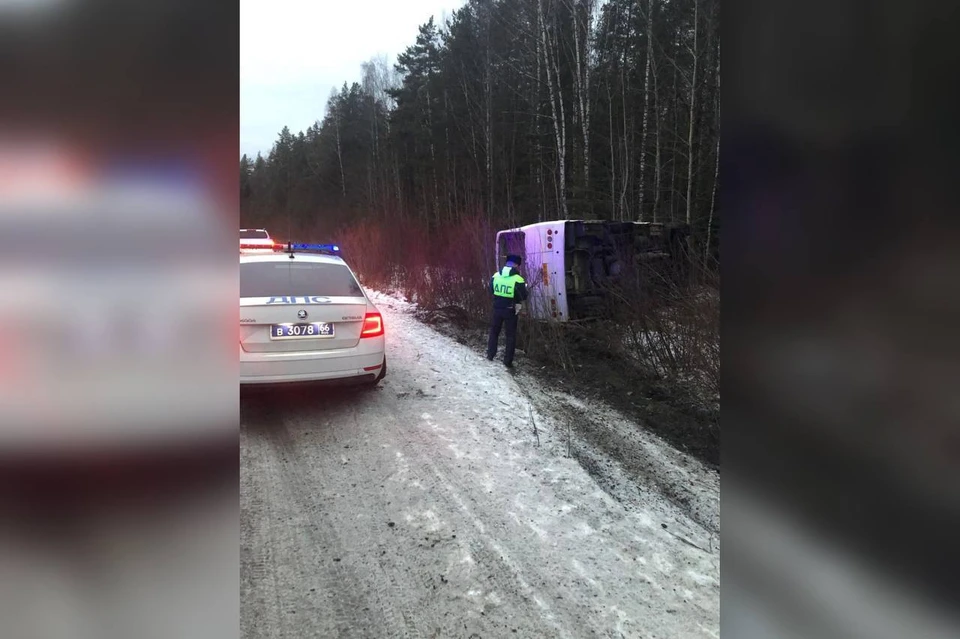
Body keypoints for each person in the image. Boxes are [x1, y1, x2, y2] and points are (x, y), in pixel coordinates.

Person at [486, 254, 528, 368]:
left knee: (494, 333)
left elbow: (491, 289)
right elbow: (523, 295)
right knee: (510, 336)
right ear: (515, 265)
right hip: (510, 310)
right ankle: (507, 361)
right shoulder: (518, 279)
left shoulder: (496, 275)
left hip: (497, 309)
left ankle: (490, 355)